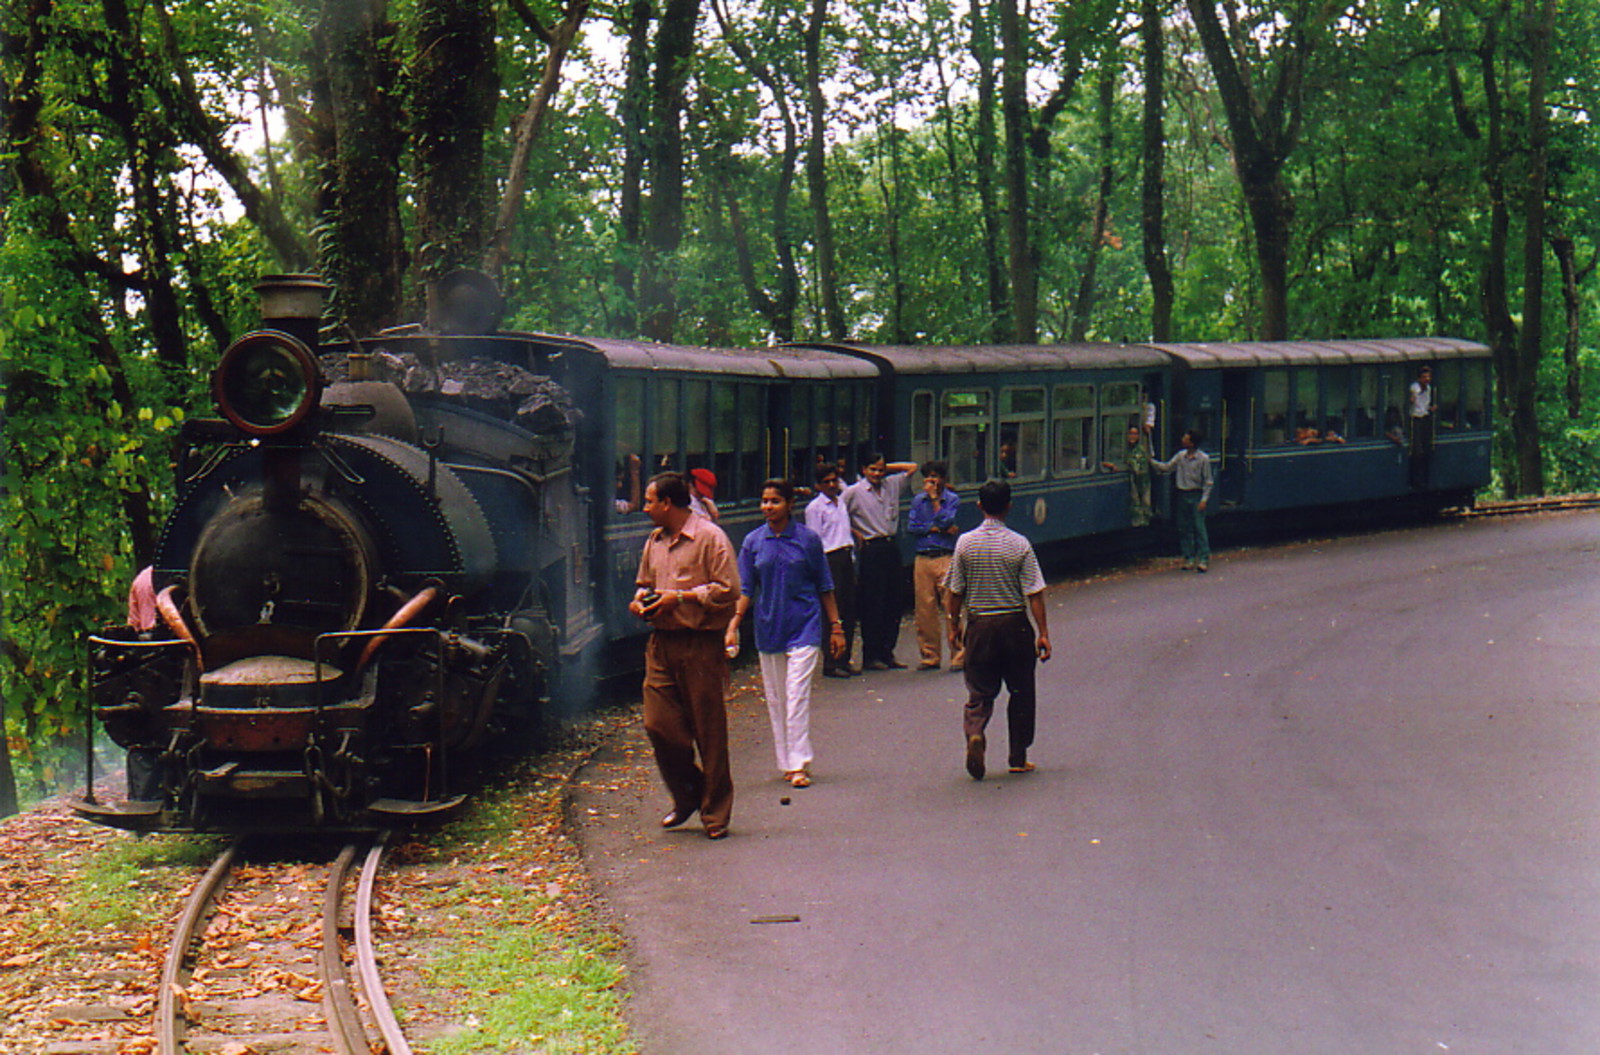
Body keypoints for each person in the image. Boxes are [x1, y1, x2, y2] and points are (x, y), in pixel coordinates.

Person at [630, 472, 741, 840]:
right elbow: (644, 584)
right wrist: (639, 601)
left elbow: (729, 589)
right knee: (657, 724)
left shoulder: (710, 537)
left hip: (700, 644)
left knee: (707, 731)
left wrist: (680, 597)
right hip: (661, 643)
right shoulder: (655, 541)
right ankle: (688, 794)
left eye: (649, 501)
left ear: (667, 504)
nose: (644, 508)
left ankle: (715, 813)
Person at [726, 479, 847, 789]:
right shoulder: (754, 542)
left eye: (775, 501)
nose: (768, 506)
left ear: (790, 504)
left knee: (795, 696)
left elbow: (825, 586)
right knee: (777, 699)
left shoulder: (808, 540)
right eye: (764, 501)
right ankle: (786, 761)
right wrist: (733, 624)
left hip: (804, 625)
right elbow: (746, 588)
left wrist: (836, 627)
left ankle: (799, 764)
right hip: (769, 628)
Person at [944, 479, 1050, 780]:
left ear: (979, 506)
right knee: (1021, 691)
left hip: (980, 626)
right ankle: (1018, 757)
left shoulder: (965, 543)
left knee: (979, 690)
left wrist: (953, 627)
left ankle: (975, 732)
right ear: (1009, 507)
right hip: (1014, 625)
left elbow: (954, 591)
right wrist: (1043, 633)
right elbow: (1034, 593)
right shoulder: (1020, 544)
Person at [843, 453, 919, 670]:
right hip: (871, 547)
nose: (877, 474)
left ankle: (887, 652)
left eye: (880, 470)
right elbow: (839, 514)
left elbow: (912, 467)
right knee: (873, 603)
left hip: (890, 545)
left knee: (892, 602)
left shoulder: (891, 484)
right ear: (864, 470)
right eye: (872, 470)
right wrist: (854, 532)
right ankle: (871, 655)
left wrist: (888, 467)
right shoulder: (854, 491)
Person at [907, 460, 963, 671]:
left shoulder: (952, 500)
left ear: (943, 479)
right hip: (923, 557)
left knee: (951, 606)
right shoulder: (917, 501)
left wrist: (935, 502)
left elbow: (946, 521)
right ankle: (930, 655)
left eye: (935, 477)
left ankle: (958, 654)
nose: (931, 481)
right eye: (928, 477)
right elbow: (913, 527)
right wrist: (935, 529)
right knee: (925, 609)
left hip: (945, 557)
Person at [804, 463, 858, 677]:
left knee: (849, 608)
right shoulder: (815, 508)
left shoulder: (841, 503)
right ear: (818, 485)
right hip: (829, 558)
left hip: (845, 556)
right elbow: (814, 540)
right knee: (832, 612)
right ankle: (831, 662)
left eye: (834, 480)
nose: (831, 485)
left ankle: (845, 659)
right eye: (826, 482)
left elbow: (844, 531)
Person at [1149, 429, 1214, 573]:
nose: (1183, 440)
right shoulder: (1180, 456)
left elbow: (1208, 481)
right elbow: (1167, 467)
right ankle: (1188, 557)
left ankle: (1203, 558)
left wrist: (1204, 499)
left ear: (1192, 442)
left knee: (1199, 527)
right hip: (1182, 495)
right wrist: (1151, 462)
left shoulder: (1203, 458)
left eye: (1186, 438)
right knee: (1184, 527)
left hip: (1196, 494)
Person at [1102, 425, 1153, 527]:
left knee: (1145, 501)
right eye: (1130, 434)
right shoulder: (1121, 449)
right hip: (1132, 480)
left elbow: (1141, 466)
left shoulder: (1141, 450)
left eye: (1135, 434)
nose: (1132, 436)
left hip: (1143, 480)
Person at [1408, 365, 1434, 489]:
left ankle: (1425, 478)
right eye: (1424, 377)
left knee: (1427, 448)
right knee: (1417, 451)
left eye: (1428, 377)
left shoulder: (1429, 389)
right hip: (1415, 419)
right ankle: (1415, 479)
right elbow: (1412, 400)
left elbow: (1425, 405)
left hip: (1425, 418)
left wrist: (1431, 409)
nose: (1427, 379)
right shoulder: (1415, 388)